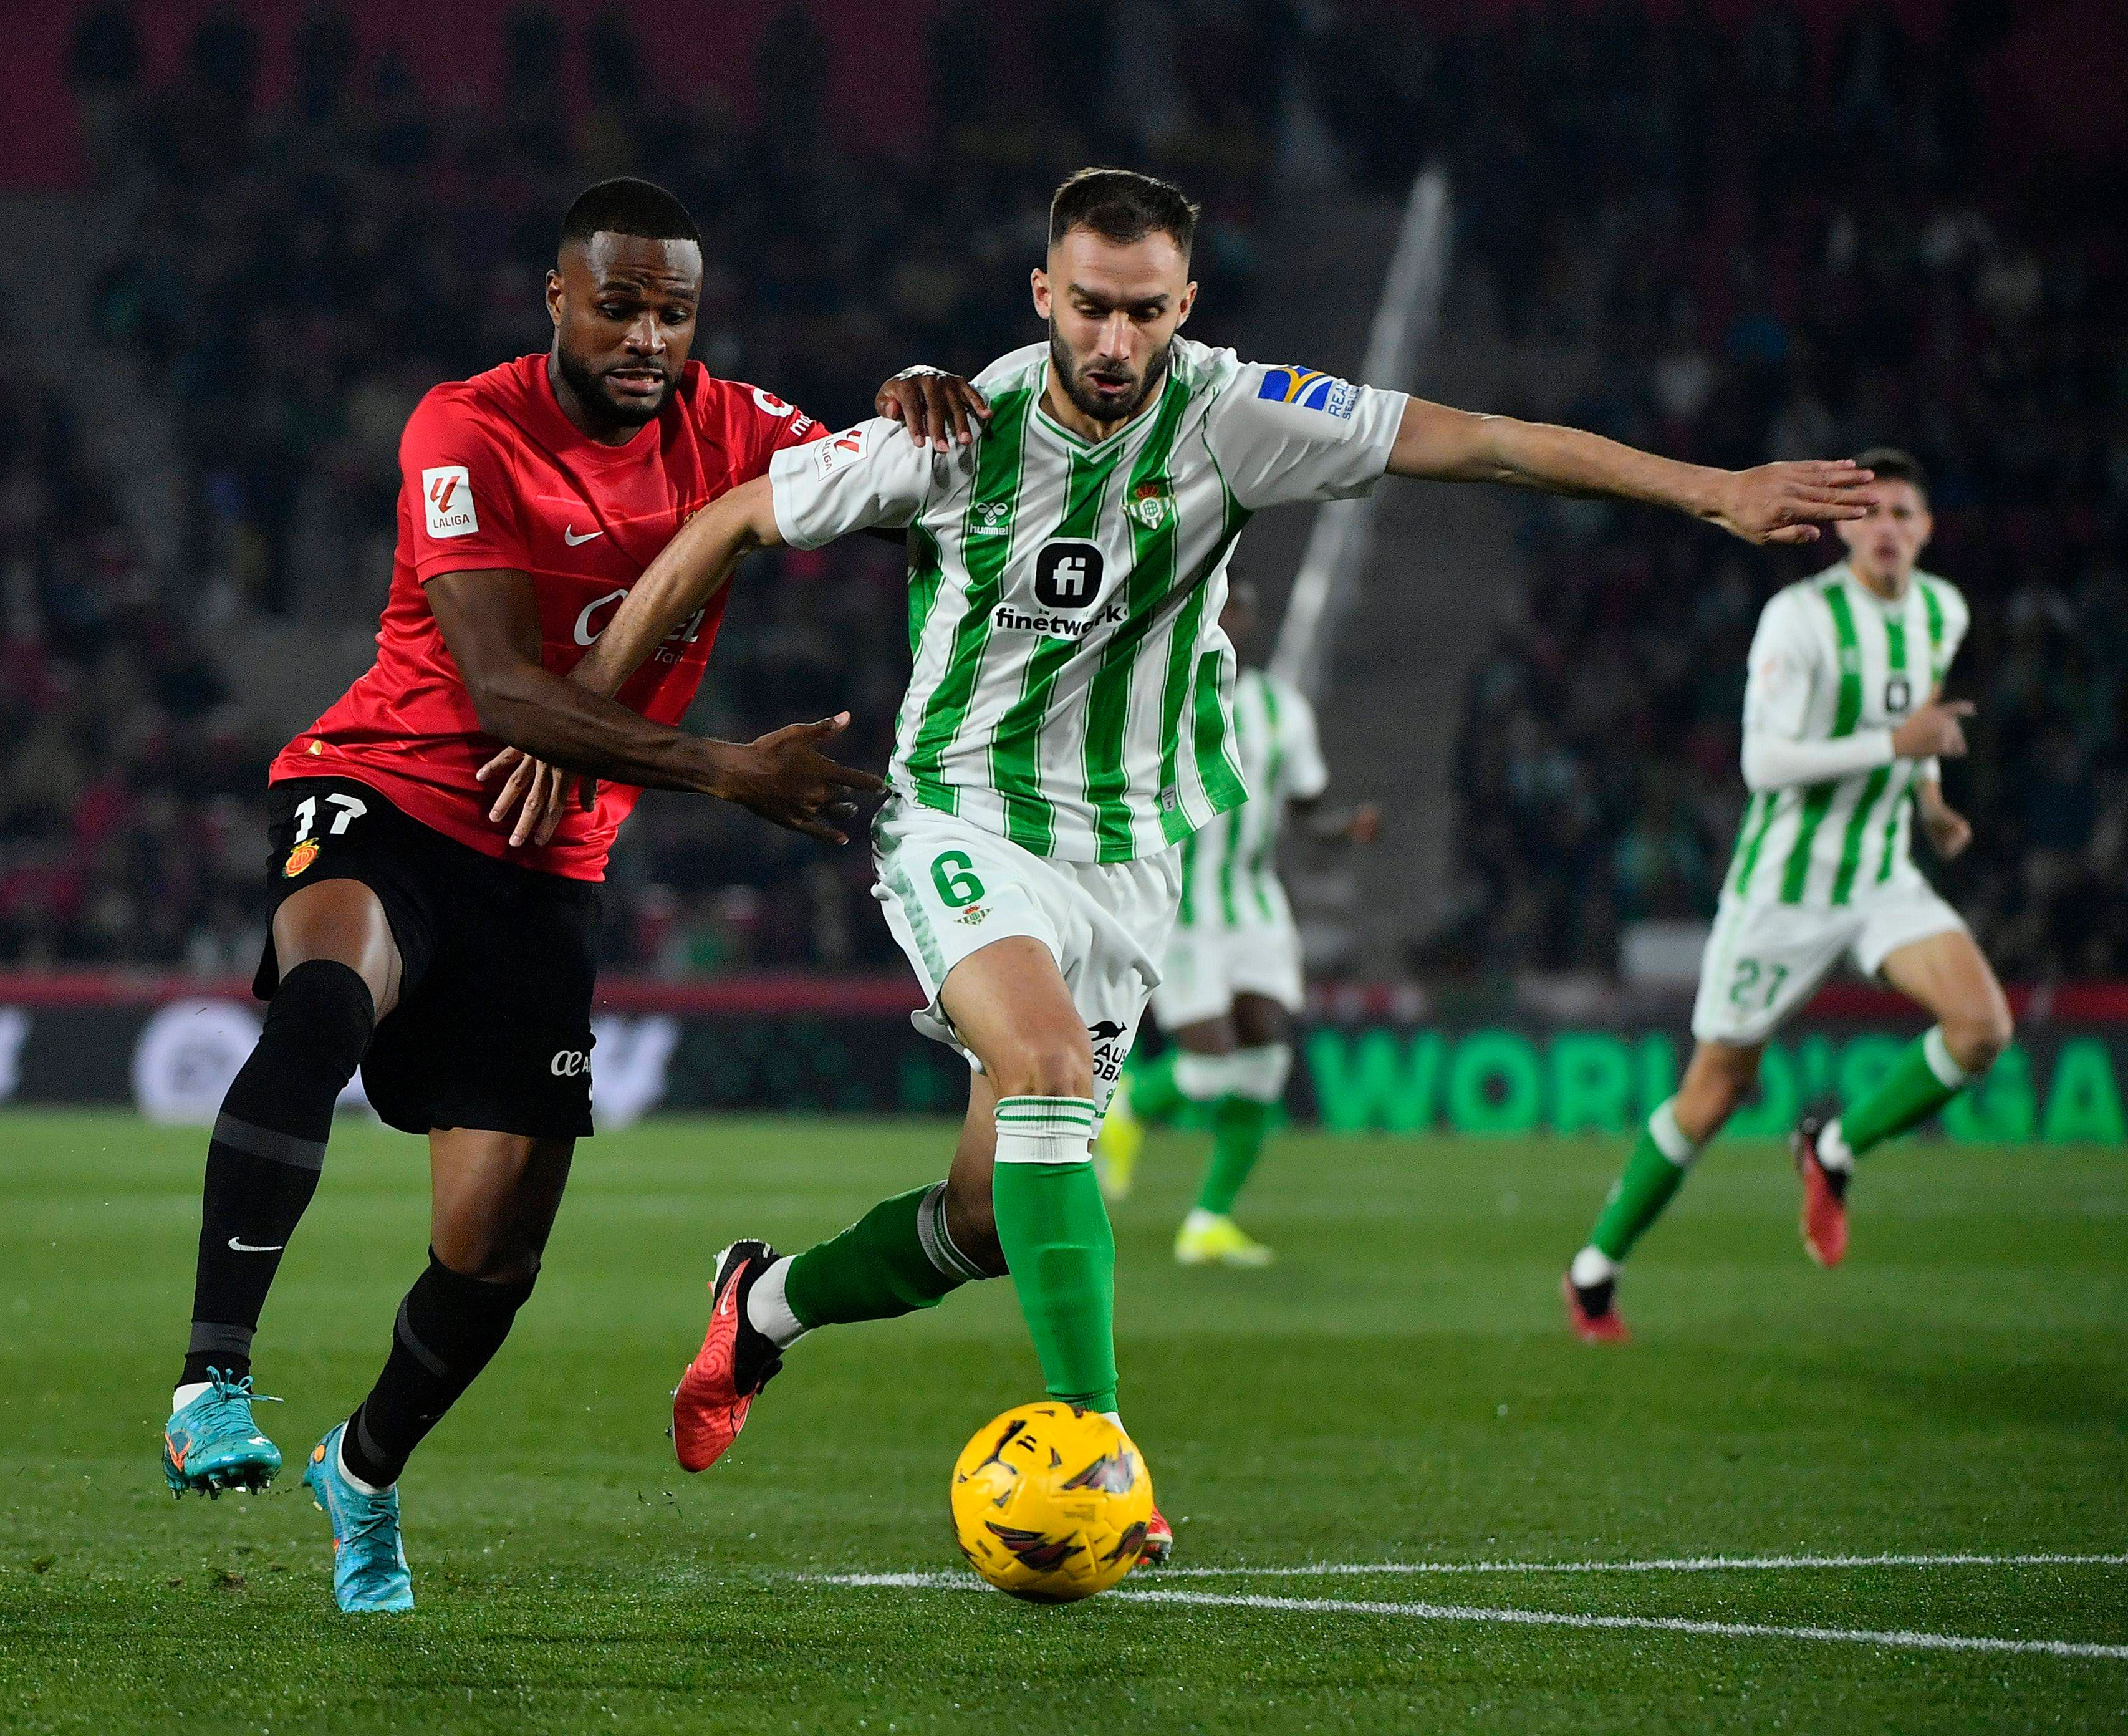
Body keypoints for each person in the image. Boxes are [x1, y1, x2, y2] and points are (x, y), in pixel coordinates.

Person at [511, 166, 1875, 1566]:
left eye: (1146, 312)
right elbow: (732, 517)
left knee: (986, 1221)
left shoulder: (1237, 414)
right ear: (1043, 293)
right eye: (1089, 307)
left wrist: (1712, 491)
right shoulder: (954, 432)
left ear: (1187, 305)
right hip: (962, 818)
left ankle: (763, 1305)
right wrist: (589, 716)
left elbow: (1484, 442)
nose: (1115, 341)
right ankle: (1099, 1449)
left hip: (1130, 857)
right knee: (1048, 1073)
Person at [157, 176, 980, 1615]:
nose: (649, 336)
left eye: (675, 312)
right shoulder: (464, 428)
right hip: (389, 787)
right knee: (327, 997)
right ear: (558, 298)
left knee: (493, 1258)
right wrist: (725, 768)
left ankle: (363, 1469)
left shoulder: (733, 427)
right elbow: (499, 690)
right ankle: (209, 1381)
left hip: (546, 868)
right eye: (620, 306)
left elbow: (907, 481)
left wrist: (929, 401)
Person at [1562, 449, 2002, 1341]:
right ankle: (1595, 1268)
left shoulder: (1943, 611)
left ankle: (1831, 1151)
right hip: (1783, 892)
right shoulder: (1798, 620)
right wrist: (1896, 749)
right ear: (1842, 526)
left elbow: (1912, 715)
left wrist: (1929, 801)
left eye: (1903, 513)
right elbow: (1763, 763)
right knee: (1714, 1094)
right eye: (1869, 512)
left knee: (1981, 1026)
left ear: (1926, 528)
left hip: (1880, 875)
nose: (1886, 528)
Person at [1097, 589, 1379, 1266]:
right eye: (1223, 603)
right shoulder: (1154, 689)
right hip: (1182, 910)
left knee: (1267, 1061)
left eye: (1244, 607)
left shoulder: (1284, 710)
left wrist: (1345, 828)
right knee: (1210, 1065)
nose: (1234, 617)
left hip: (1256, 907)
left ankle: (1208, 1222)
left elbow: (1306, 810)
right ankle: (1130, 1106)